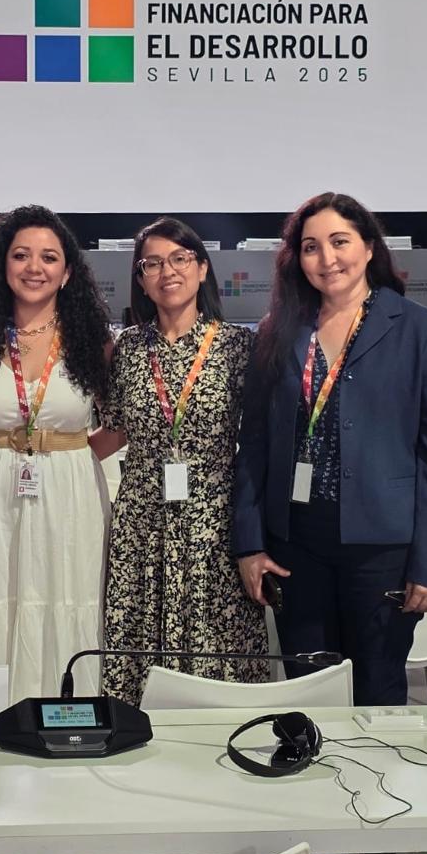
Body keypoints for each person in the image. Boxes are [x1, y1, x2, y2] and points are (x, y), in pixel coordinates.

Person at [232, 191, 427, 854]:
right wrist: (249, 543)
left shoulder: (418, 329)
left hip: (382, 551)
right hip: (297, 547)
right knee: (308, 698)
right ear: (294, 258)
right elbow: (254, 447)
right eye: (310, 245)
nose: (326, 257)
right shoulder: (279, 332)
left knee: (376, 698)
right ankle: (325, 845)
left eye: (339, 241)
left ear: (367, 247)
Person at [94, 216, 268, 709]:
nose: (167, 271)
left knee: (218, 647)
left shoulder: (238, 346)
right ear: (141, 279)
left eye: (179, 258)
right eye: (152, 263)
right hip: (141, 523)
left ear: (202, 268)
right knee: (137, 647)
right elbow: (114, 429)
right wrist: (53, 459)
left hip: (215, 524)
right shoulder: (128, 347)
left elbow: (259, 444)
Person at [0, 204, 112, 702]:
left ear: (67, 272)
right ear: (2, 264)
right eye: (21, 255)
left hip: (70, 493)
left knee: (68, 600)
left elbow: (123, 422)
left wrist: (72, 456)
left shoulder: (94, 340)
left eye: (48, 257)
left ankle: (68, 716)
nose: (34, 267)